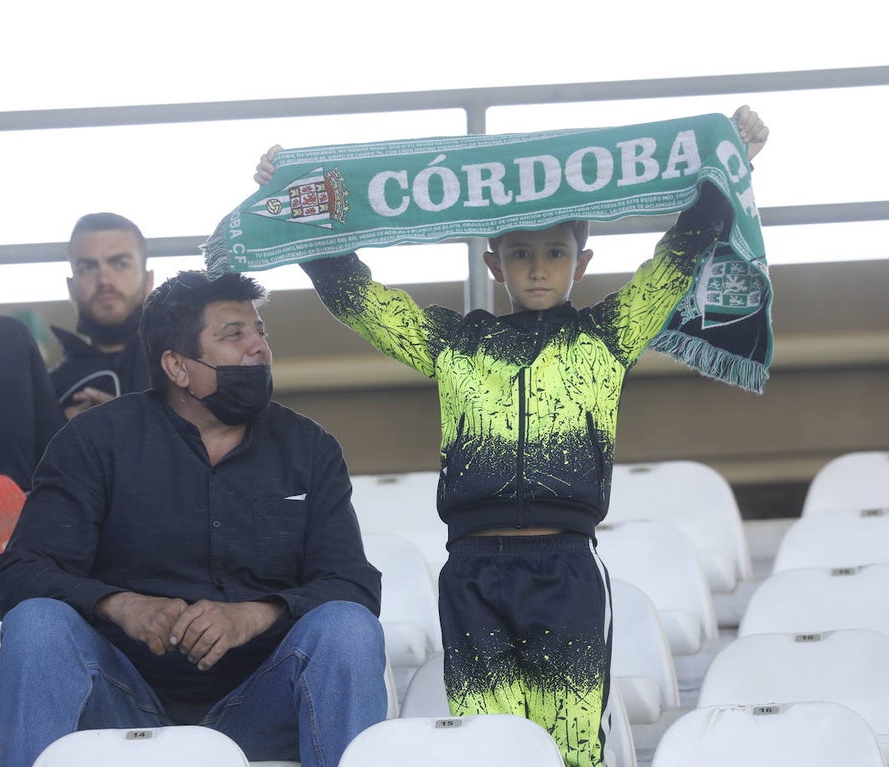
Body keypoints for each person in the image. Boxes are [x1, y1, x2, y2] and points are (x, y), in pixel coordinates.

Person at [253, 106, 770, 767]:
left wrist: (729, 165)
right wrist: (300, 208)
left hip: (568, 571)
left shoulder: (607, 336)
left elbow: (678, 256)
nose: (537, 268)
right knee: (490, 749)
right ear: (493, 263)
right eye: (520, 254)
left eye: (554, 253)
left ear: (581, 261)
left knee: (571, 747)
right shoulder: (453, 343)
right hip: (472, 572)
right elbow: (359, 298)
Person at [0, 269, 386, 767]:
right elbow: (17, 577)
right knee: (37, 623)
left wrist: (255, 614)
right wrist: (119, 604)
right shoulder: (96, 441)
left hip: (260, 706)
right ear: (177, 366)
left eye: (260, 331)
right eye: (233, 334)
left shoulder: (309, 448)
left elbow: (353, 583)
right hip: (122, 707)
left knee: (347, 627)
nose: (258, 347)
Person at [0, 211, 154, 560]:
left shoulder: (177, 364)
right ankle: (8, 522)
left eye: (120, 264)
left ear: (149, 279)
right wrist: (70, 433)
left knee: (171, 345)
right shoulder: (55, 384)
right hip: (55, 513)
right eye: (87, 267)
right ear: (71, 286)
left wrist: (117, 423)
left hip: (150, 507)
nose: (104, 279)